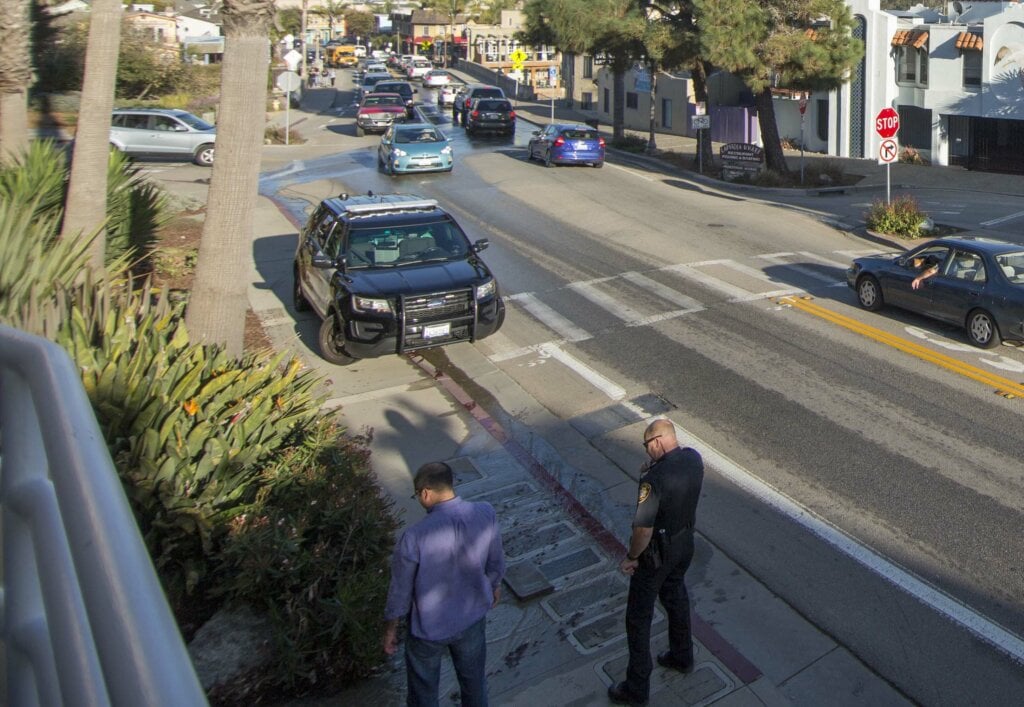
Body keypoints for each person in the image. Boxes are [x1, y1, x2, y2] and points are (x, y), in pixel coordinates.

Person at [383, 462, 506, 707]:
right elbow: (496, 561)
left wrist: (390, 629)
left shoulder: (414, 537)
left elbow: (400, 591)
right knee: (474, 684)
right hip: (472, 619)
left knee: (423, 694)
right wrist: (494, 585)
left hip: (428, 630)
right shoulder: (484, 512)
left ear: (425, 493)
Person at [608, 419, 704, 706]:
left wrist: (632, 557)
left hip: (657, 553)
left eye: (647, 446)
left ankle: (636, 687)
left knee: (638, 617)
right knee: (675, 596)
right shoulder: (693, 459)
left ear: (657, 442)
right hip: (685, 542)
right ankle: (682, 655)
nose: (647, 452)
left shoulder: (653, 479)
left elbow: (643, 530)